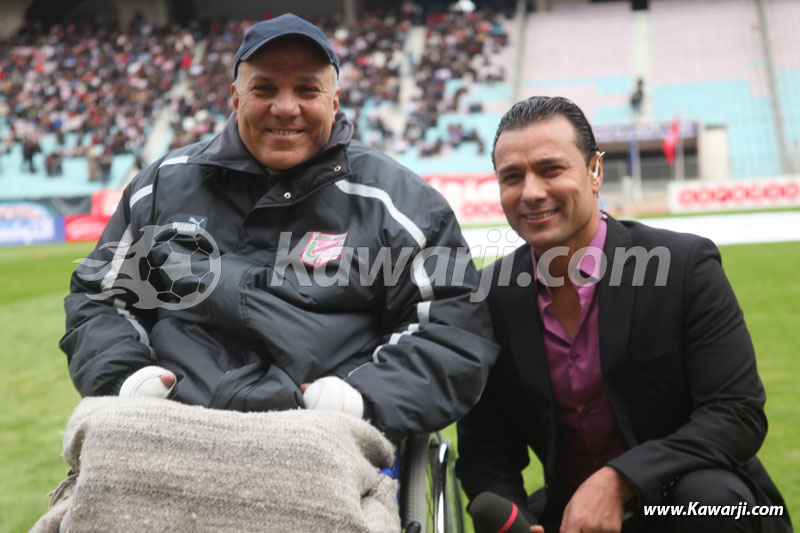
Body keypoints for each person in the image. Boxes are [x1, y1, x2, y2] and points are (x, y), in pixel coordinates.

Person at [60, 13, 498, 443]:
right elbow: (100, 298)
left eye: (307, 89)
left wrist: (359, 400)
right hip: (170, 425)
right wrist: (127, 378)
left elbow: (451, 330)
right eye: (264, 88)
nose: (285, 107)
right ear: (235, 96)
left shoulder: (402, 204)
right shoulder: (159, 188)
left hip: (324, 437)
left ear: (335, 99)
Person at [455, 96, 791, 533]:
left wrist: (620, 480)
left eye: (551, 169)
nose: (531, 192)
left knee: (709, 499)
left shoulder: (684, 265)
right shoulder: (490, 297)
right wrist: (517, 520)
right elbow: (485, 453)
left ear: (595, 171)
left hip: (701, 507)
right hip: (572, 515)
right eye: (512, 177)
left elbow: (736, 414)